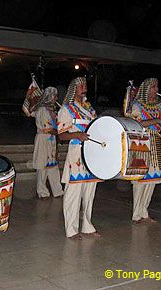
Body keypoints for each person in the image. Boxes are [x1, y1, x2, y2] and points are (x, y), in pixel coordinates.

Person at [57, 77, 101, 239]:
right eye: (80, 85)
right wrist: (78, 135)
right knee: (73, 192)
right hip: (77, 151)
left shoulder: (89, 109)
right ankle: (71, 229)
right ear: (73, 89)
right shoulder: (66, 109)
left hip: (92, 153)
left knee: (90, 191)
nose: (84, 87)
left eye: (85, 85)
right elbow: (61, 135)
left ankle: (87, 226)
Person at [127, 78, 161, 224]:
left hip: (156, 142)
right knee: (140, 180)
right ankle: (136, 214)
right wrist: (157, 121)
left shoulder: (158, 107)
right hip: (142, 143)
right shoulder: (137, 105)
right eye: (153, 87)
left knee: (151, 180)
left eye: (157, 86)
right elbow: (137, 123)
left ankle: (144, 211)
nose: (156, 90)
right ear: (146, 89)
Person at [31, 87, 63, 199]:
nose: (56, 98)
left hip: (51, 139)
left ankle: (57, 190)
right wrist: (60, 133)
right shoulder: (42, 110)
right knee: (42, 166)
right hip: (43, 139)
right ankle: (42, 192)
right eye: (54, 96)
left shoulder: (52, 110)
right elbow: (47, 127)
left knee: (53, 165)